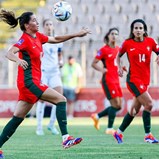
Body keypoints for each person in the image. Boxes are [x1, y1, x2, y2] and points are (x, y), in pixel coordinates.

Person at [0, 9, 90, 158]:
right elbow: (9, 52)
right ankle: (66, 138)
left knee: (17, 118)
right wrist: (18, 60)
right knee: (61, 100)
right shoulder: (25, 39)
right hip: (29, 81)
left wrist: (76, 34)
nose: (37, 22)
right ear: (27, 25)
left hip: (30, 82)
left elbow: (56, 39)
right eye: (34, 20)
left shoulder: (38, 37)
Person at [113, 19, 159, 144]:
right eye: (135, 28)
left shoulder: (151, 42)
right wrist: (119, 66)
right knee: (149, 104)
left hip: (145, 80)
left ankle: (118, 132)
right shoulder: (128, 43)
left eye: (140, 28)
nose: (138, 30)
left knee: (134, 111)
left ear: (144, 30)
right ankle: (148, 135)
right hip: (133, 80)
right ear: (132, 31)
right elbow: (118, 56)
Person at [91, 28, 123, 135]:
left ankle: (97, 116)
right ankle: (109, 128)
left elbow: (116, 63)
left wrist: (122, 68)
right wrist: (102, 69)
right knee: (115, 105)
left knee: (119, 106)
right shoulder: (103, 50)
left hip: (116, 80)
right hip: (108, 80)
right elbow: (93, 63)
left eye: (116, 34)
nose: (114, 36)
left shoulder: (118, 49)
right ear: (108, 36)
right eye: (112, 34)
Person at [36, 19, 63, 136]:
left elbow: (59, 53)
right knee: (41, 100)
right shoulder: (40, 39)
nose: (49, 26)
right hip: (43, 73)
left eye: (50, 24)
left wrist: (61, 61)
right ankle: (39, 127)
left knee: (59, 98)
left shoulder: (57, 39)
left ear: (53, 26)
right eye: (46, 24)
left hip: (55, 72)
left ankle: (51, 124)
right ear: (43, 27)